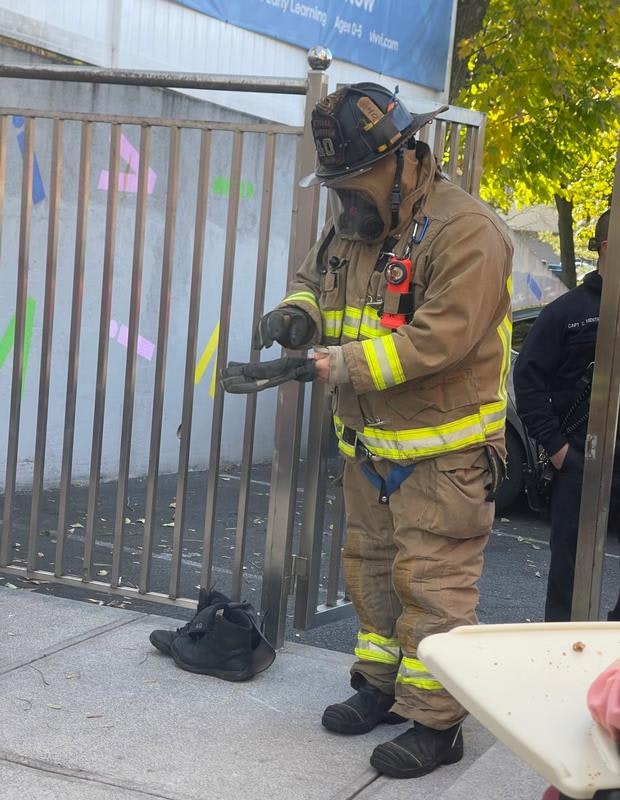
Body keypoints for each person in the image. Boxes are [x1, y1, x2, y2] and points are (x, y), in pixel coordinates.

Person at [250, 83, 513, 779]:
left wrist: (338, 363)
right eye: (336, 183)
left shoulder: (467, 232)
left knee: (434, 586)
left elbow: (440, 339)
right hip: (371, 451)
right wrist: (295, 316)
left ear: (402, 159)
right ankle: (380, 687)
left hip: (444, 458)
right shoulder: (355, 221)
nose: (344, 197)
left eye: (353, 180)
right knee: (372, 573)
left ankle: (437, 722)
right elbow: (314, 278)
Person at [514, 209, 620, 623]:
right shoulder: (566, 312)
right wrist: (558, 450)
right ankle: (563, 656)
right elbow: (527, 382)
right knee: (568, 578)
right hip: (578, 462)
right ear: (608, 249)